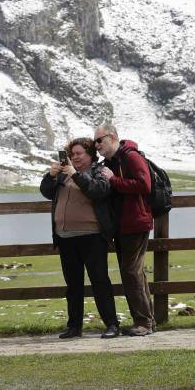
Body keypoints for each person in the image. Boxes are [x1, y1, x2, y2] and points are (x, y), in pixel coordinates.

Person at [39, 137, 120, 339]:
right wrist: (50, 175)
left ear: (90, 155)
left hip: (92, 237)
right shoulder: (63, 174)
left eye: (79, 154)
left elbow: (98, 191)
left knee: (100, 282)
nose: (74, 157)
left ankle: (112, 324)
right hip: (65, 237)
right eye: (72, 154)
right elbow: (46, 192)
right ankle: (74, 327)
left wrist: (76, 175)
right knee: (73, 285)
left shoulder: (98, 171)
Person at [93, 123, 155, 336]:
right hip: (122, 225)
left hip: (135, 222)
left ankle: (144, 323)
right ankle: (147, 321)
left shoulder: (131, 157)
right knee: (134, 272)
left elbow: (143, 185)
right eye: (95, 141)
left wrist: (113, 180)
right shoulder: (111, 161)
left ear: (112, 138)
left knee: (131, 272)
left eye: (99, 140)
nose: (97, 145)